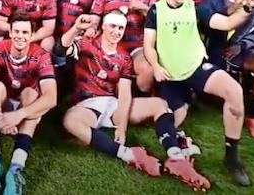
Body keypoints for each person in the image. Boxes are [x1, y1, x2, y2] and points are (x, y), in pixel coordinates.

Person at [59, 13, 208, 189]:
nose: (116, 32)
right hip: (88, 104)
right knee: (70, 121)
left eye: (120, 28)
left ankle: (176, 157)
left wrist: (121, 128)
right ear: (104, 27)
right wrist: (76, 28)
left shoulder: (124, 57)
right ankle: (129, 155)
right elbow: (60, 49)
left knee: (159, 105)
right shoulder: (86, 44)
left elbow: (124, 94)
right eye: (113, 26)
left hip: (112, 103)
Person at [144, 0, 254, 186]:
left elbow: (226, 23)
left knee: (234, 92)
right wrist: (156, 66)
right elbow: (148, 45)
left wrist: (247, 7)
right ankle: (175, 152)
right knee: (170, 118)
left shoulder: (196, 8)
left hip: (197, 68)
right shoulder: (156, 11)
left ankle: (231, 157)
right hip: (170, 76)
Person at [0, 14, 58, 195]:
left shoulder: (41, 55)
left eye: (25, 32)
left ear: (32, 35)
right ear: (10, 32)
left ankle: (16, 168)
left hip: (25, 107)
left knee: (31, 93)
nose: (20, 36)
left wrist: (18, 115)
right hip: (1, 105)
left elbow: (51, 98)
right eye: (16, 31)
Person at [200, 0, 254, 140]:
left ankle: (253, 117)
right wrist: (233, 10)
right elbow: (205, 22)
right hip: (216, 49)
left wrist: (242, 45)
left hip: (240, 48)